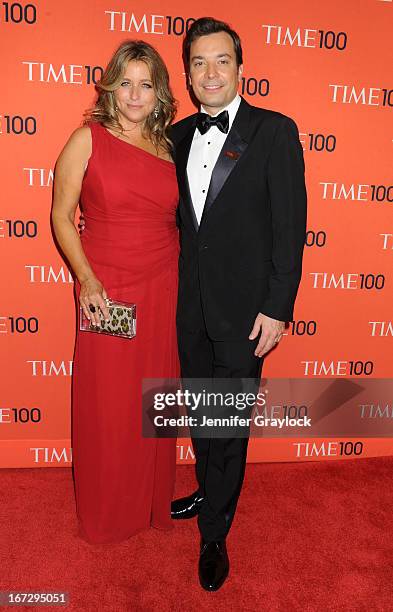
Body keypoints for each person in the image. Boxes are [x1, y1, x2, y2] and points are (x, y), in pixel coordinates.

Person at [170, 17, 307, 590]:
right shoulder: (175, 137)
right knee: (203, 414)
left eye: (221, 60)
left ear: (241, 67)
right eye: (198, 62)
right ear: (187, 73)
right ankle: (210, 484)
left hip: (246, 312)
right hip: (188, 308)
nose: (210, 72)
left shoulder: (274, 131)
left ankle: (214, 532)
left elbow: (290, 228)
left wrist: (277, 308)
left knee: (227, 423)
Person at [51, 40, 179, 544]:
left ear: (159, 93)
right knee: (108, 403)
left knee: (153, 397)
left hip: (163, 284)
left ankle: (150, 503)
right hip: (106, 289)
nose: (134, 93)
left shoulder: (170, 147)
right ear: (110, 85)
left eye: (145, 84)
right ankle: (108, 511)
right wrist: (87, 279)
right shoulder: (87, 139)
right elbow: (62, 216)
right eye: (125, 81)